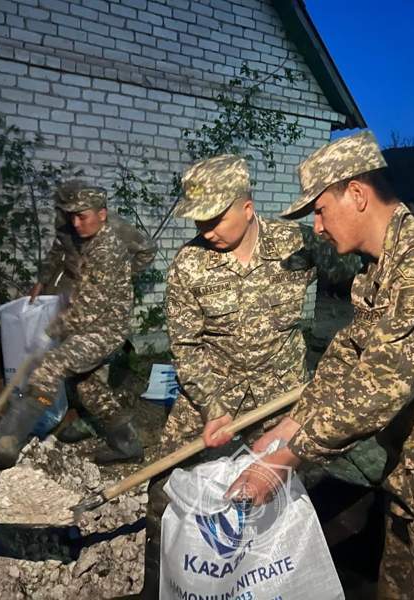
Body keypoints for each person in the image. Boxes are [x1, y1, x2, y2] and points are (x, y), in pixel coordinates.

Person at [227, 131, 414, 599]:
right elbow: (347, 358)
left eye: (320, 209)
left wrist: (287, 459)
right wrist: (289, 426)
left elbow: (377, 387)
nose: (318, 227)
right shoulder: (379, 269)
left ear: (357, 193)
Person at [140, 154, 318, 598]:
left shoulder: (296, 244)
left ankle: (264, 580)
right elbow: (187, 345)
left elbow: (362, 272)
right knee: (163, 489)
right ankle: (161, 581)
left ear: (247, 205)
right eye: (198, 221)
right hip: (213, 395)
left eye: (215, 218)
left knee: (283, 492)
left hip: (282, 397)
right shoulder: (189, 264)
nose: (206, 231)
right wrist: (212, 408)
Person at [0, 181, 151, 469]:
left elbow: (88, 309)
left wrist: (51, 330)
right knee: (89, 389)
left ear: (102, 215)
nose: (76, 223)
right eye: (72, 217)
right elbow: (71, 276)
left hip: (103, 329)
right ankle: (128, 445)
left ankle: (6, 442)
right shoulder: (90, 241)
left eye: (83, 216)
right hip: (92, 321)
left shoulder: (107, 249)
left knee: (51, 365)